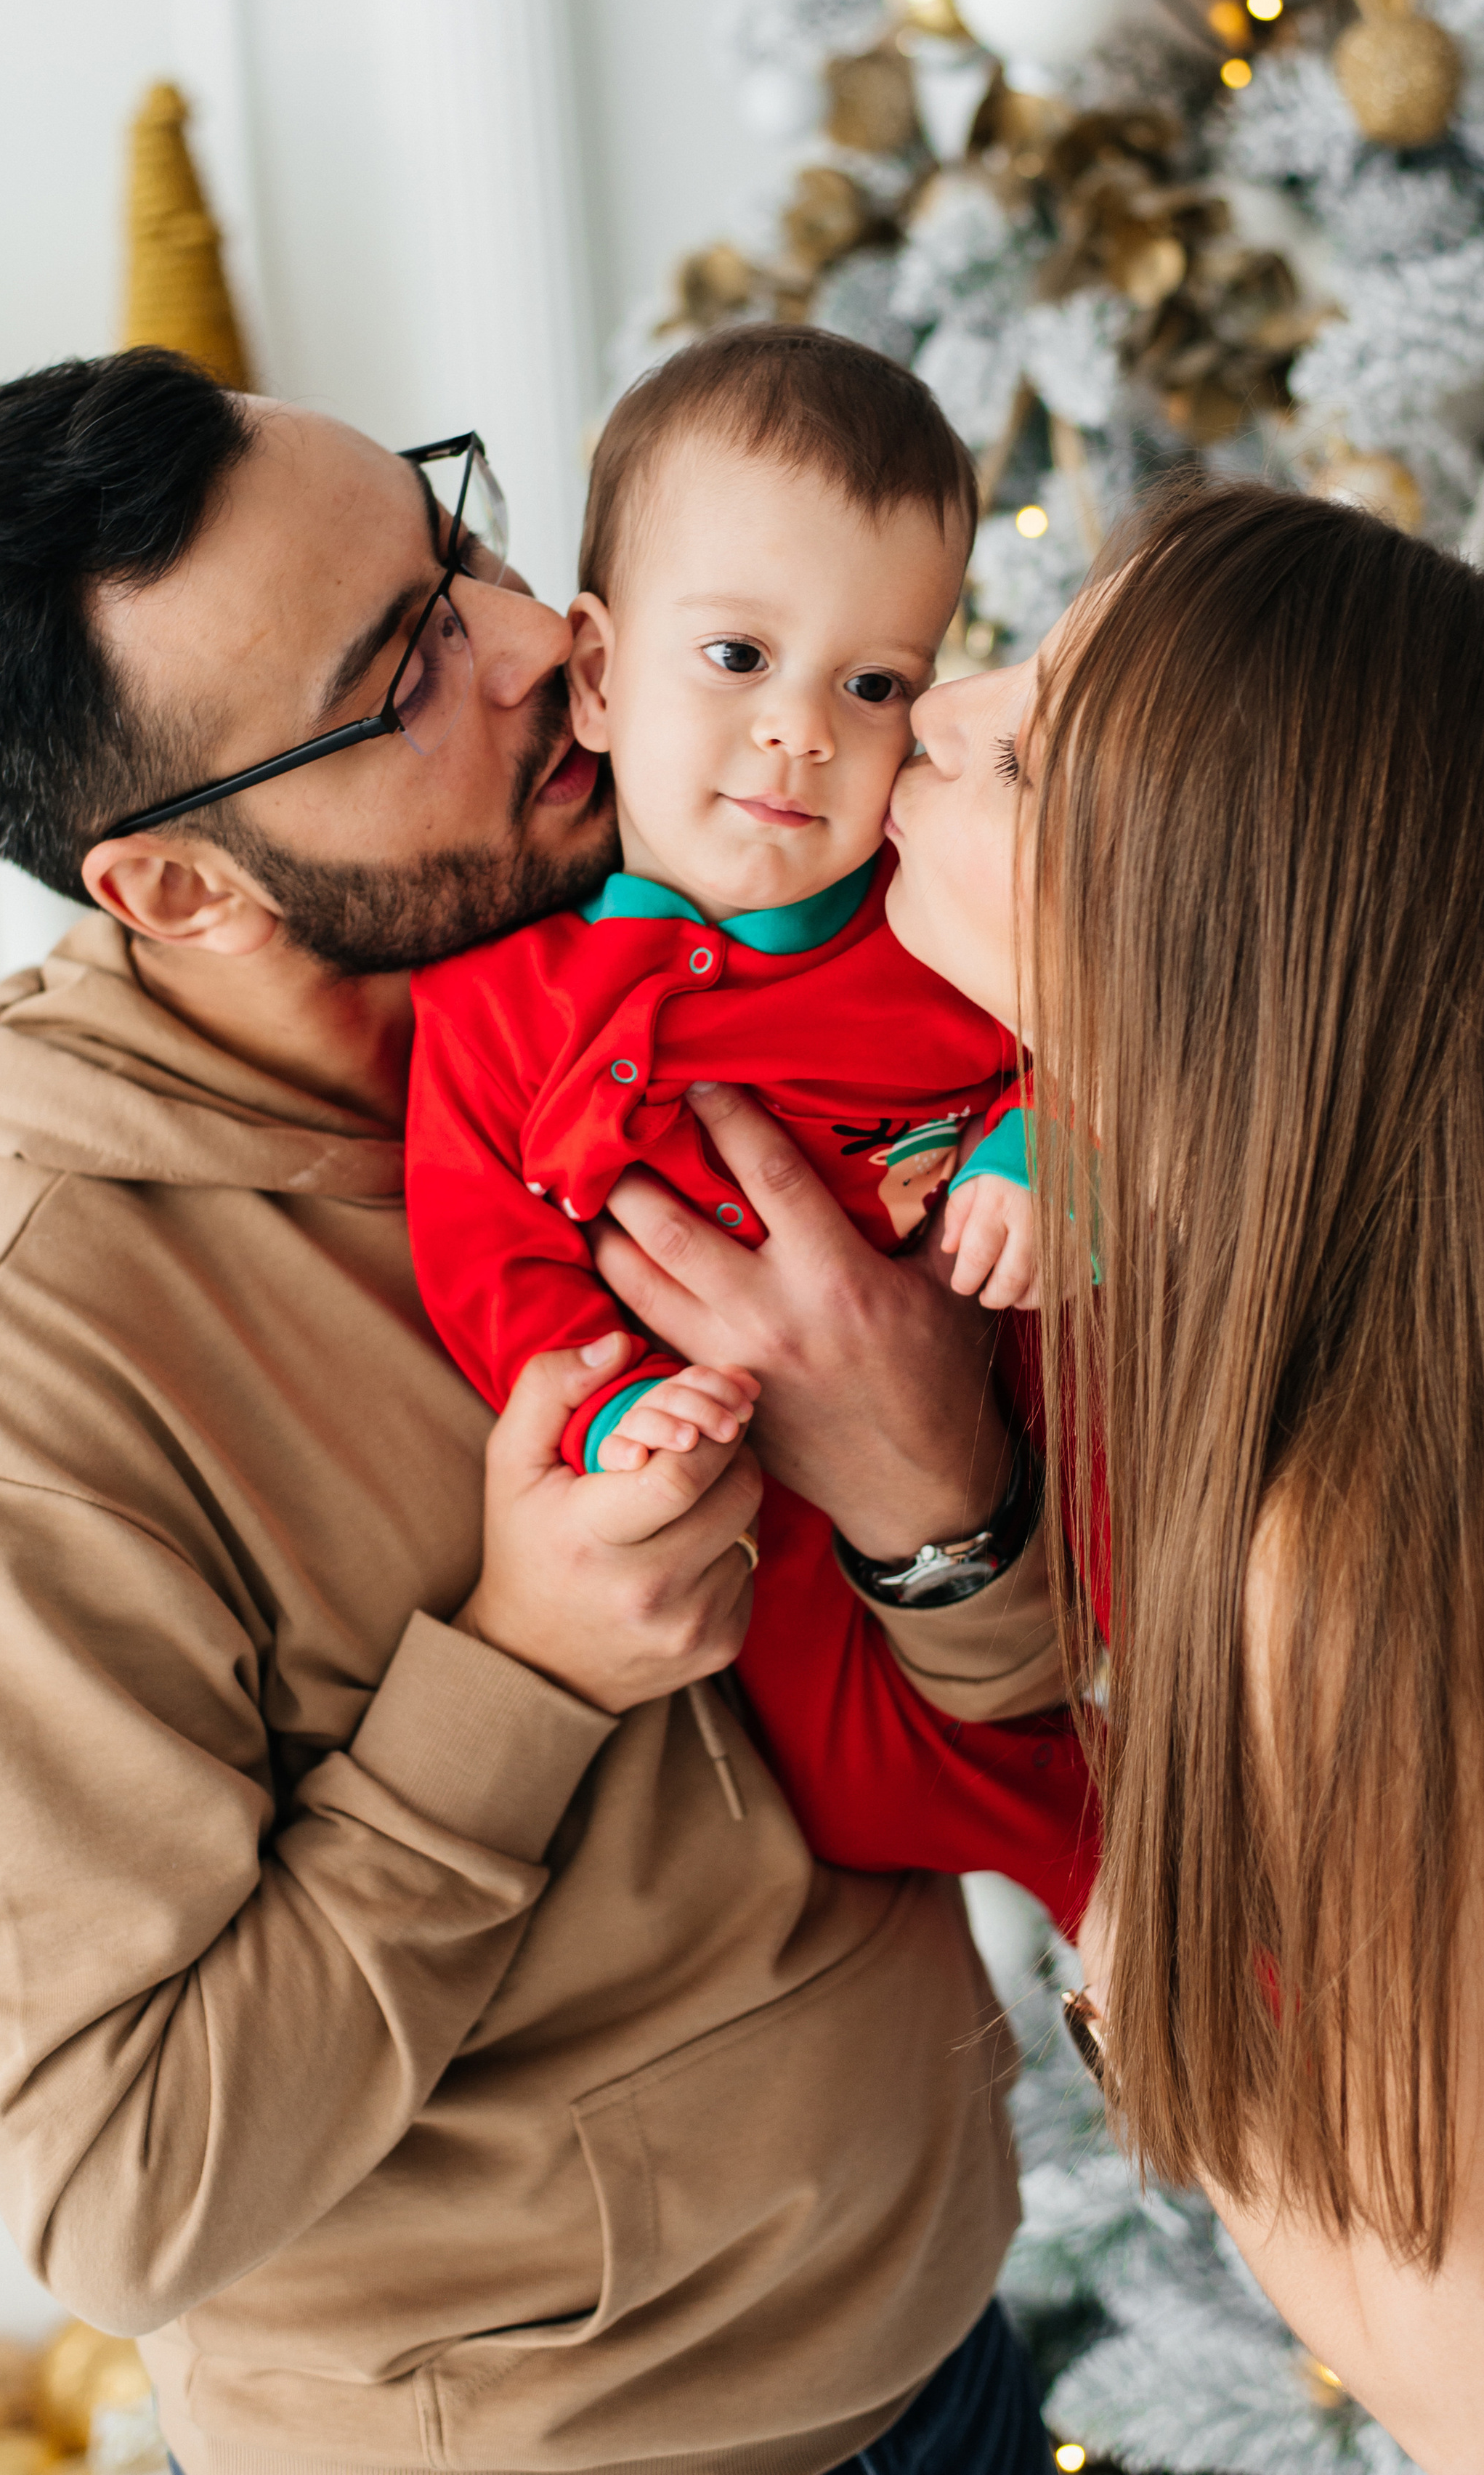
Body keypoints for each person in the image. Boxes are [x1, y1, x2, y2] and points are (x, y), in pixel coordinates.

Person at [0, 347, 1066, 2475]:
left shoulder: (715, 976)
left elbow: (1011, 1687)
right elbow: (125, 2193)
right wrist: (524, 1677)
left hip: (948, 2349)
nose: (554, 641)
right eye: (403, 670)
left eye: (460, 541)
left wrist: (941, 1499)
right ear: (176, 885)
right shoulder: (23, 1363)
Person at [861, 473, 1484, 2473]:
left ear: (1187, 944)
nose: (933, 710)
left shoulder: (1368, 1549)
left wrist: (1141, 2009)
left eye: (1018, 754)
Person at [405, 325, 1090, 1928]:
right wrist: (604, 1404)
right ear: (592, 672)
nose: (803, 731)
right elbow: (482, 1249)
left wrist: (1052, 1152)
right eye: (737, 660)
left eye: (873, 685)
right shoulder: (498, 1000)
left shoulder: (937, 921)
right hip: (766, 1525)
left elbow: (1121, 1047)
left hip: (1064, 1470)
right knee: (862, 1792)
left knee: (1157, 1773)